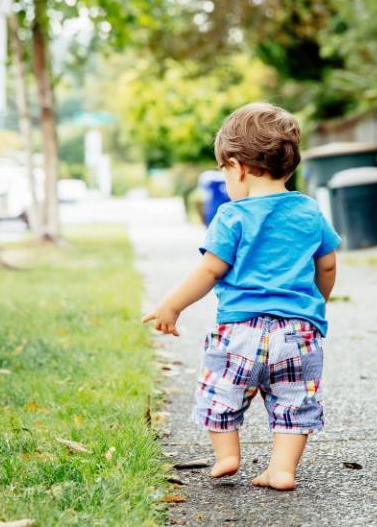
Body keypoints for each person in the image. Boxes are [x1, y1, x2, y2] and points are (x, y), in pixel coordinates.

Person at [142, 102, 341, 489]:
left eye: (224, 172)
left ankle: (227, 456)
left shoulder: (231, 217)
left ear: (238, 167)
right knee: (293, 403)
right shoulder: (307, 210)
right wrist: (315, 305)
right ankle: (282, 469)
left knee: (220, 393)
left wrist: (172, 305)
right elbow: (328, 265)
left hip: (239, 332)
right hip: (298, 334)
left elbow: (209, 270)